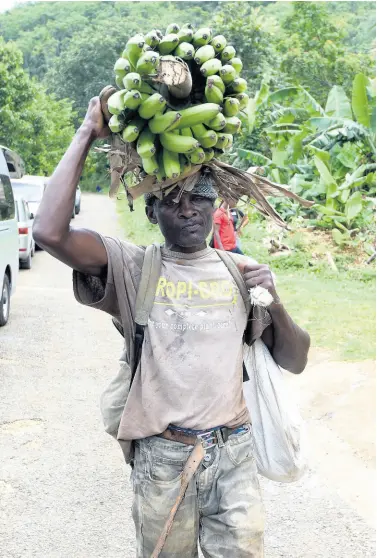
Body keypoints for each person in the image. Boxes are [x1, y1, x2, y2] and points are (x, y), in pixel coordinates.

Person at [33, 96, 310, 558]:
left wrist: (275, 302)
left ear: (214, 204)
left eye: (198, 197)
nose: (187, 210)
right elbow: (49, 233)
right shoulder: (133, 267)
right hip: (164, 458)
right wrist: (86, 132)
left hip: (235, 453)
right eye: (171, 200)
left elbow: (295, 360)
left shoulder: (238, 272)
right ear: (151, 211)